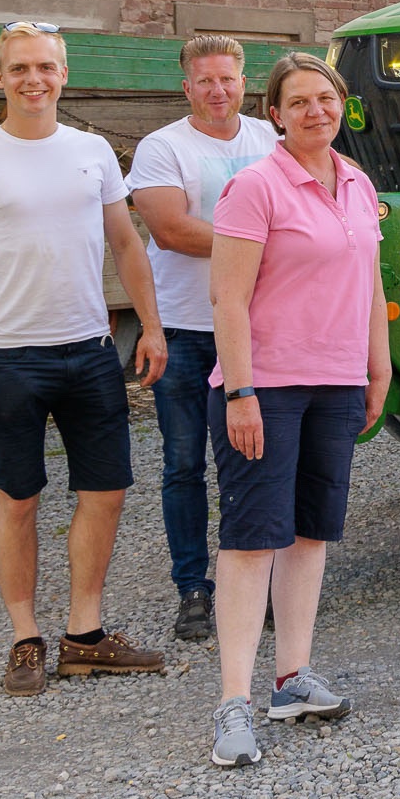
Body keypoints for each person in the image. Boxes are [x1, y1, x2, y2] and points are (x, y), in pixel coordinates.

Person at [0, 20, 169, 699]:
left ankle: (84, 635)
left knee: (107, 492)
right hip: (9, 357)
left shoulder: (92, 152)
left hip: (90, 349)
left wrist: (151, 328)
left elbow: (126, 244)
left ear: (63, 74)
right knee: (17, 498)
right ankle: (25, 637)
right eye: (19, 68)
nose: (33, 79)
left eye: (45, 67)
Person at [205, 52, 391, 768]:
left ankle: (292, 678)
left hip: (336, 381)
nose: (316, 111)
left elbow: (370, 283)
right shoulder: (254, 187)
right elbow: (227, 297)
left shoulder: (358, 182)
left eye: (326, 98)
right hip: (267, 386)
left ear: (342, 105)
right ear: (275, 114)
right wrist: (241, 391)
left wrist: (378, 366)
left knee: (311, 533)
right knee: (253, 540)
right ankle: (233, 701)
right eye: (300, 102)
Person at [128, 34, 278, 641]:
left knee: (255, 457)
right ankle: (193, 586)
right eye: (206, 81)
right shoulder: (163, 147)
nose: (218, 91)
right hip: (187, 326)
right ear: (187, 86)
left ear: (245, 83)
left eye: (228, 79)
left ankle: (257, 581)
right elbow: (170, 230)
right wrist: (265, 238)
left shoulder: (270, 140)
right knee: (185, 462)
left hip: (256, 326)